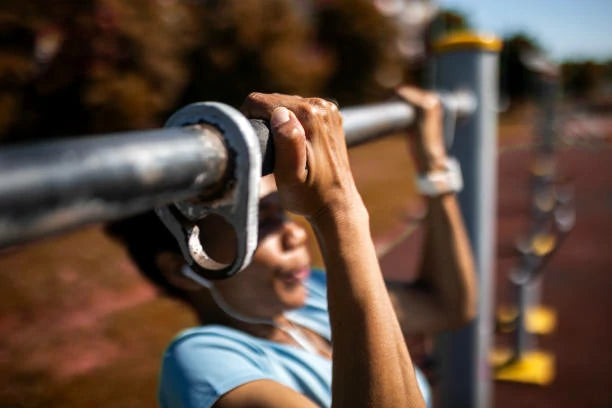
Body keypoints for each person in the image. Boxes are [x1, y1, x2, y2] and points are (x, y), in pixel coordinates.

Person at [107, 87, 477, 408]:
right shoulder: (202, 363)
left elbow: (447, 305)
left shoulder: (310, 294)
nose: (296, 235)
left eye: (281, 214)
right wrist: (338, 209)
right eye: (261, 221)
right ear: (181, 267)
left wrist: (434, 165)